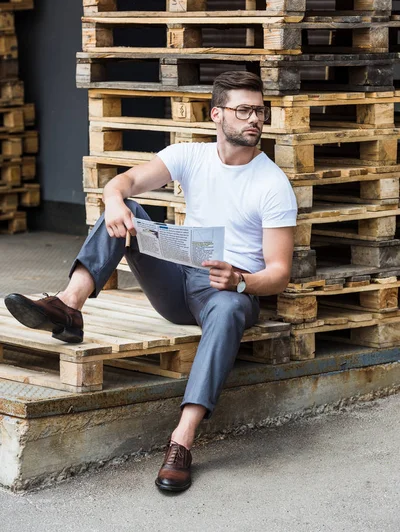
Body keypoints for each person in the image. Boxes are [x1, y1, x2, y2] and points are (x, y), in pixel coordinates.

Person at [5, 71, 297, 492]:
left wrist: (241, 280)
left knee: (231, 307)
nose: (255, 119)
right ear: (217, 114)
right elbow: (122, 182)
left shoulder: (272, 184)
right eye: (244, 110)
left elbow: (279, 273)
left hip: (224, 291)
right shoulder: (189, 156)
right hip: (175, 279)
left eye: (259, 111)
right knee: (127, 212)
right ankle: (69, 306)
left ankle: (182, 439)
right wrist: (112, 202)